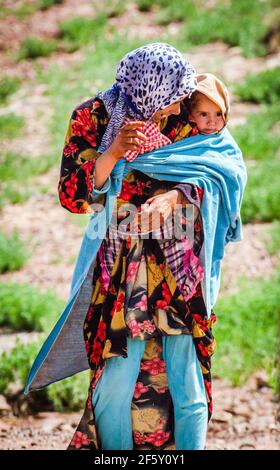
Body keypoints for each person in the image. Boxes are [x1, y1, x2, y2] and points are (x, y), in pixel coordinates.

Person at [60, 42, 214, 451]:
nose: (176, 104)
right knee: (114, 376)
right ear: (151, 89)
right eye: (171, 96)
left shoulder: (187, 113)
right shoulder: (93, 117)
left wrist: (177, 196)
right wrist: (112, 153)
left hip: (178, 266)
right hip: (118, 267)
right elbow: (74, 197)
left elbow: (218, 170)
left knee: (188, 375)